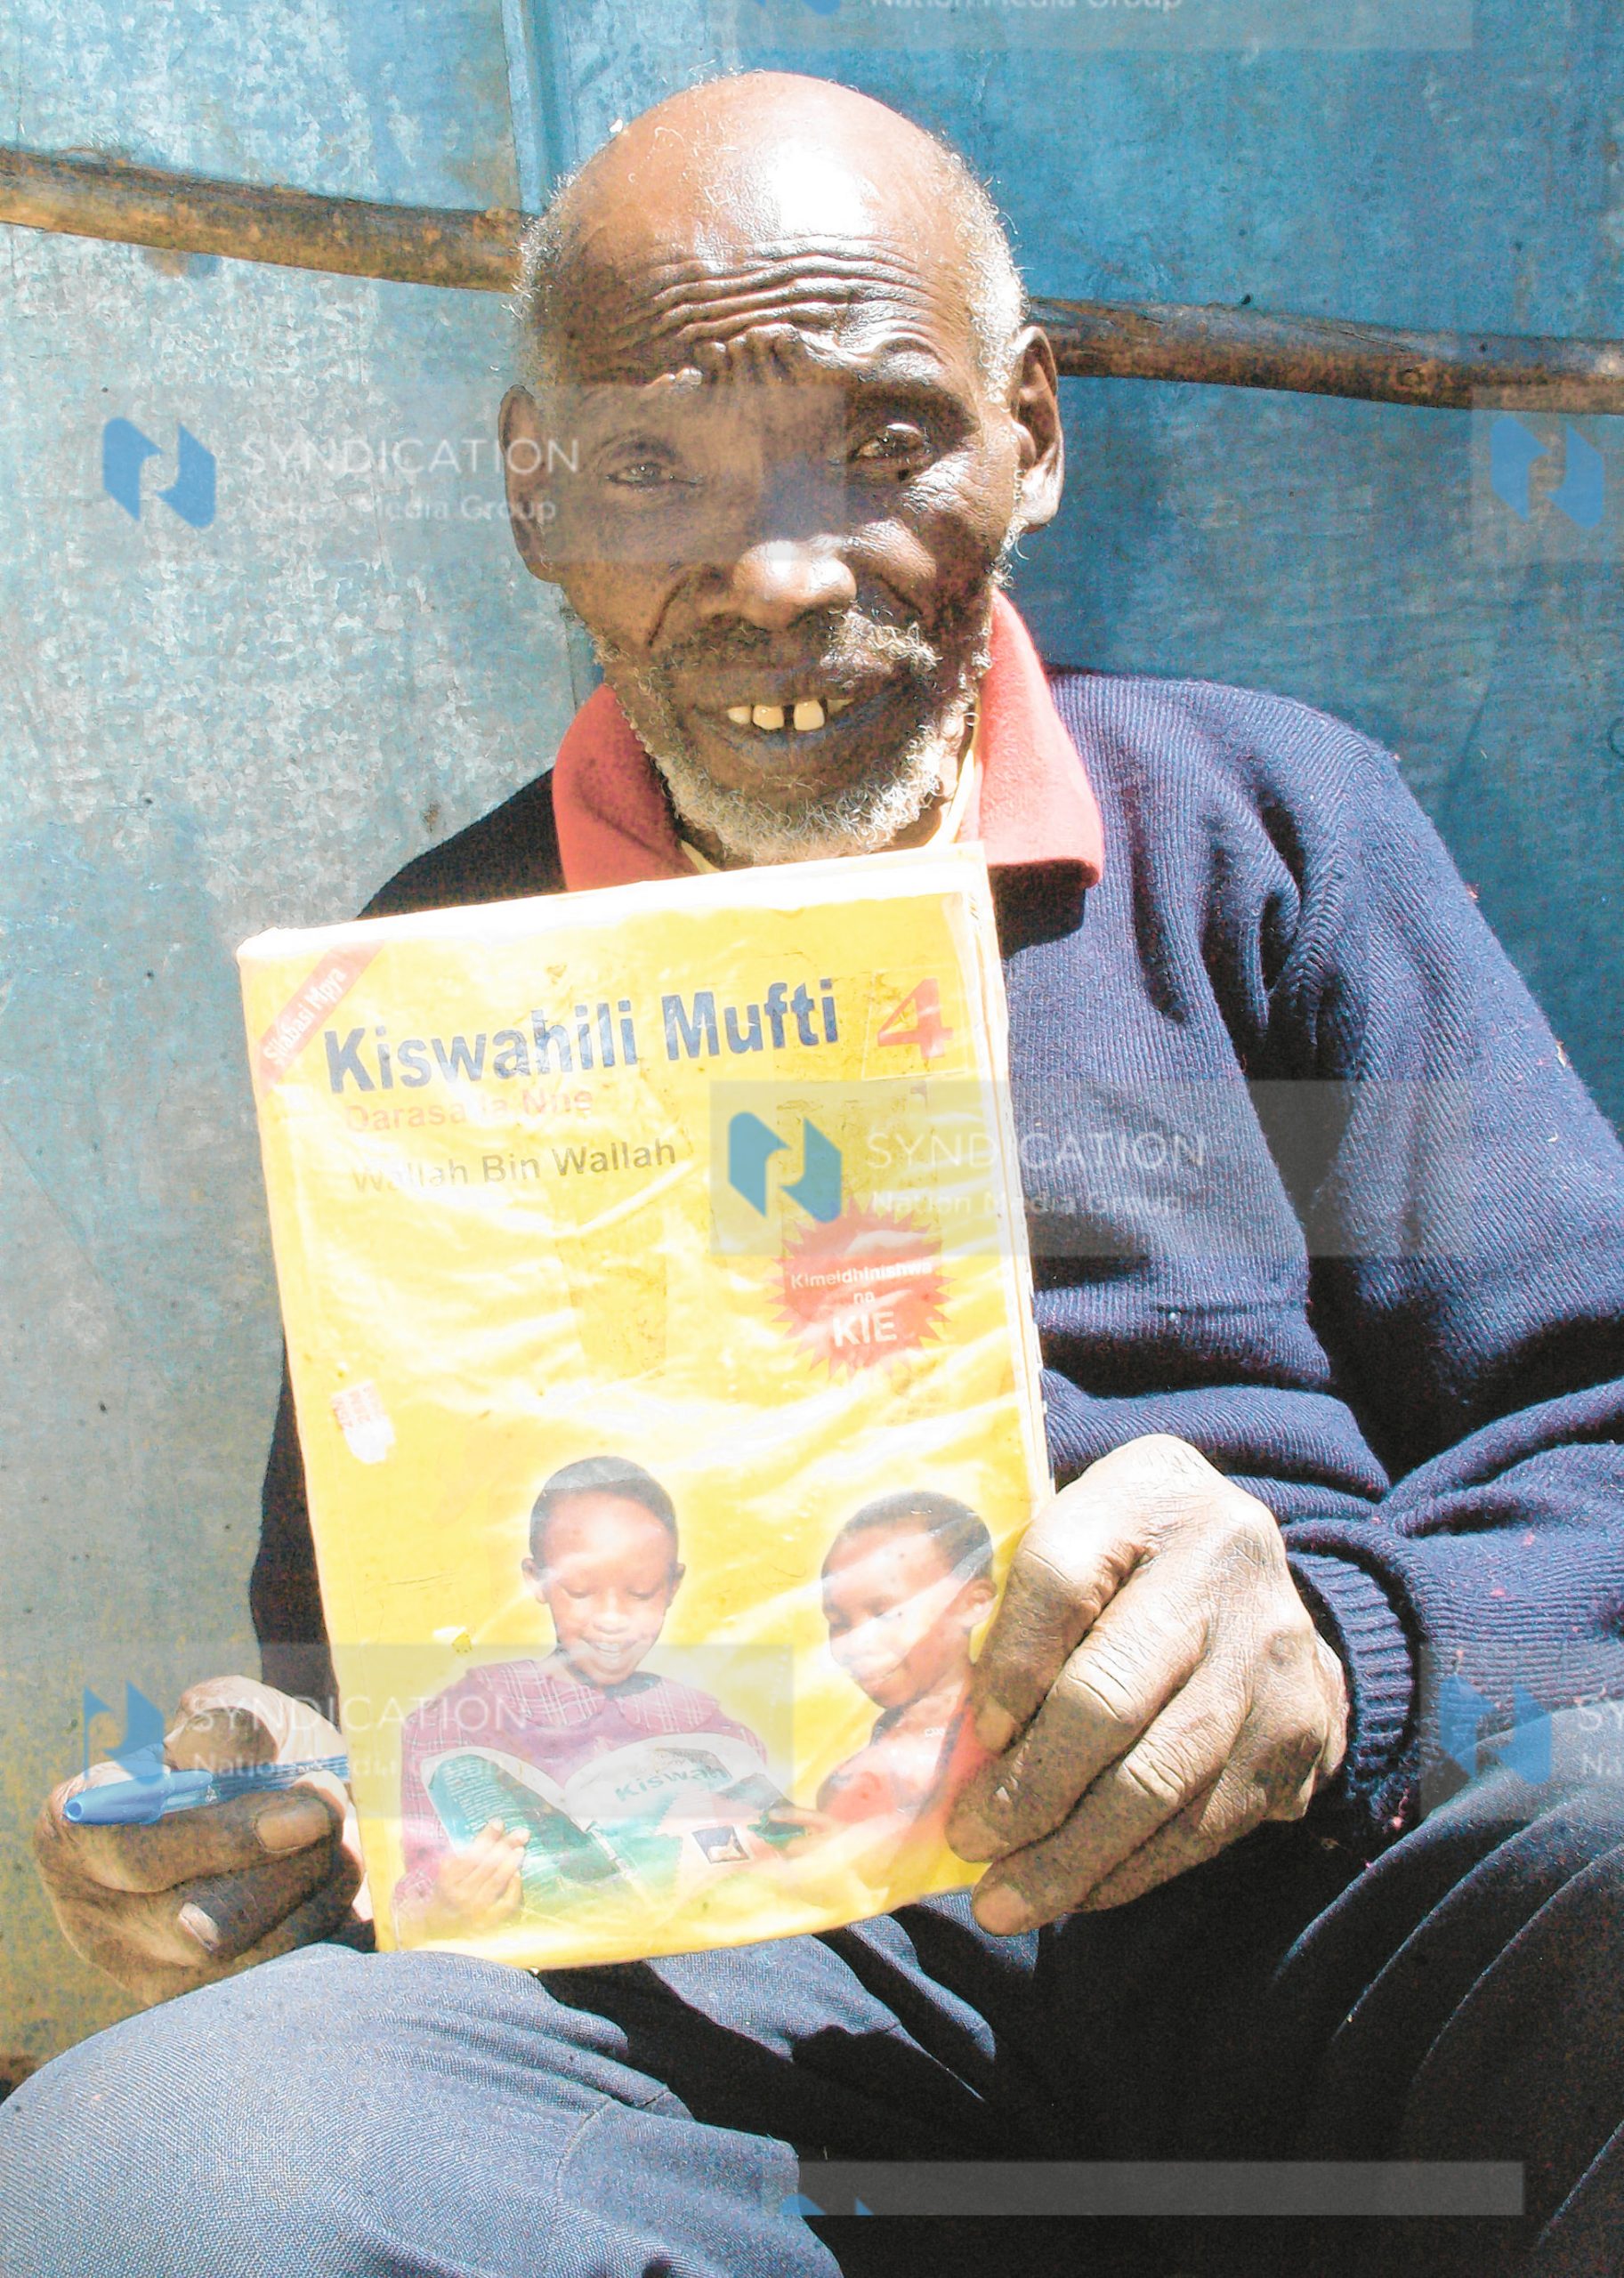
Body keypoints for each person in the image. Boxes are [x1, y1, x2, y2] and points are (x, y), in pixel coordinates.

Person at [9, 70, 1624, 2278]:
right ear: (532, 494)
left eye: (881, 442)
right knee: (151, 2172)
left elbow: (1593, 1433)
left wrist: (1346, 1647)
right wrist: (283, 1813)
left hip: (1322, 1912)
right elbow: (374, 1651)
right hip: (712, 2053)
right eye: (656, 464)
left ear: (1028, 435)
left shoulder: (1266, 833)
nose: (777, 574)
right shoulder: (427, 983)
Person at [393, 1456, 767, 1940]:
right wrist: (444, 1912)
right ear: (536, 1580)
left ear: (673, 1585)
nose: (611, 1618)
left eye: (641, 1593)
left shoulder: (711, 1728)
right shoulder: (455, 1719)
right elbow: (418, 1883)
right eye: (580, 1591)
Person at [813, 1491, 997, 1835]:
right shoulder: (852, 1782)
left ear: (973, 1604)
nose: (854, 1644)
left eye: (885, 1613)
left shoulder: (1006, 1737)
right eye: (838, 1622)